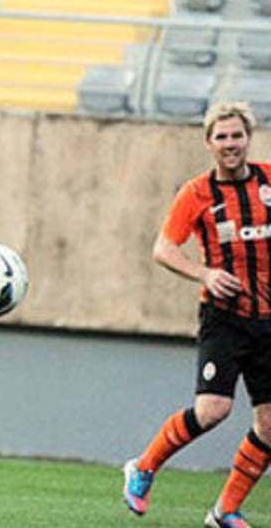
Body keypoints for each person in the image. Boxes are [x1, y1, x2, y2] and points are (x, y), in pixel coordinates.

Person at [122, 101, 271, 528]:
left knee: (270, 425)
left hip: (268, 320)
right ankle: (144, 467)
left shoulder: (268, 181)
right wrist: (206, 273)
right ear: (209, 143)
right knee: (212, 410)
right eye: (222, 137)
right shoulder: (197, 193)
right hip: (224, 319)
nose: (230, 144)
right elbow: (163, 248)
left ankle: (225, 511)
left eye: (237, 135)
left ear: (248, 138)